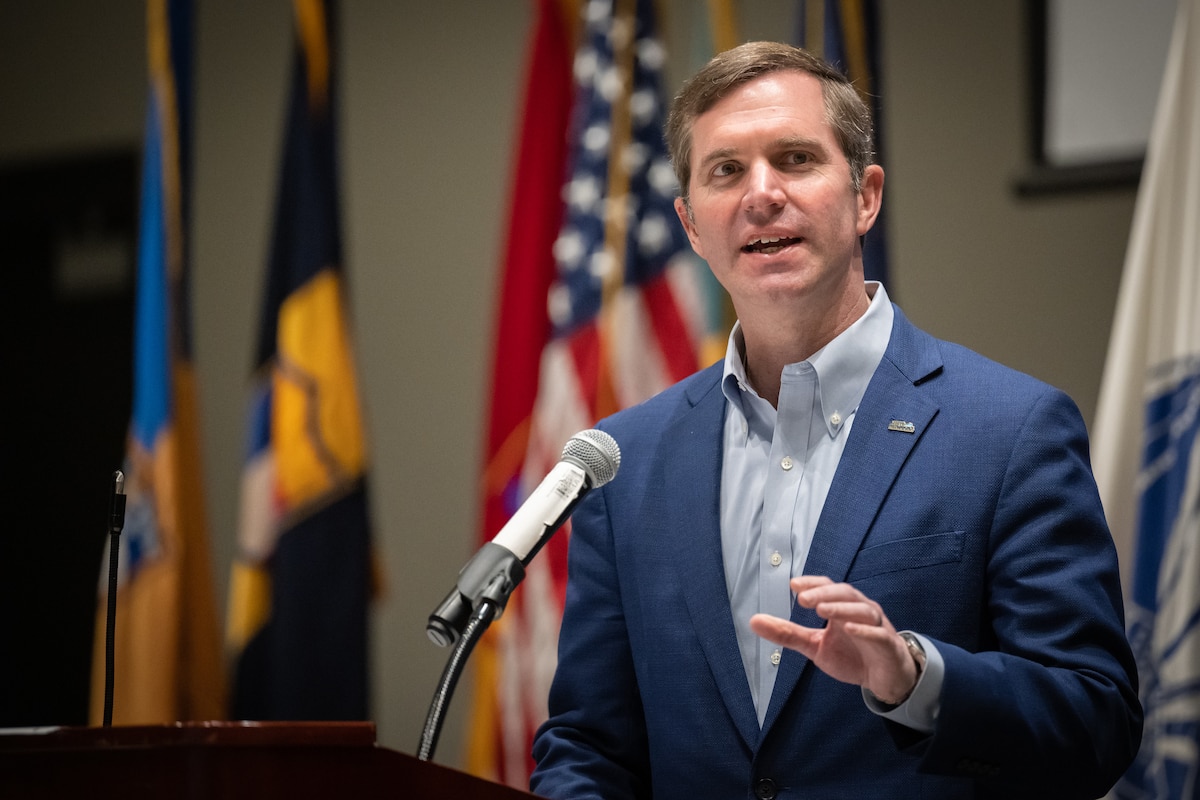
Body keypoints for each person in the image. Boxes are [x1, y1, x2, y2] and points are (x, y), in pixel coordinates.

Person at [528, 41, 1142, 799]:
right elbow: (589, 745)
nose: (761, 194)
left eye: (794, 159)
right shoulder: (626, 460)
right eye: (726, 171)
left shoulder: (1010, 431)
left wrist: (915, 677)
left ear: (866, 198)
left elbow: (1096, 721)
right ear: (690, 225)